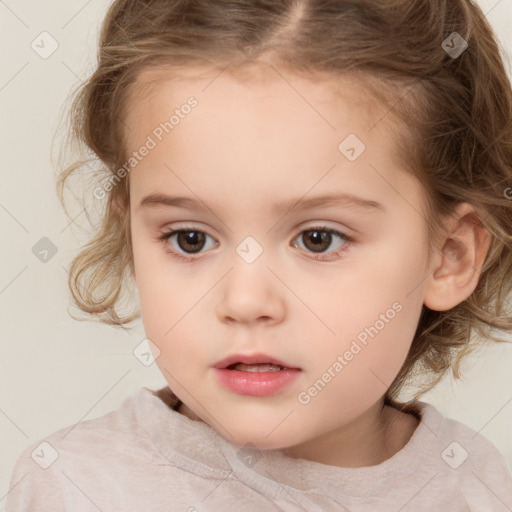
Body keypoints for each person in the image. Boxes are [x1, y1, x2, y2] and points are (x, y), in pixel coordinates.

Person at [6, 0, 512, 510]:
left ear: (449, 255)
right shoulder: (74, 488)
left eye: (318, 239)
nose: (246, 301)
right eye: (190, 238)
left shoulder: (476, 488)